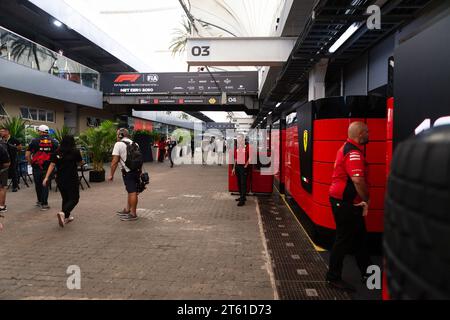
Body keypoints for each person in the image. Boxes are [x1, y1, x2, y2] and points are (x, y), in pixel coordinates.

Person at [326, 121, 372, 292]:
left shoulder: (347, 148)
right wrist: (366, 198)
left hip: (349, 202)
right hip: (343, 203)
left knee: (360, 237)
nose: (369, 134)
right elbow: (358, 180)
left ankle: (368, 273)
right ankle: (333, 277)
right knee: (343, 240)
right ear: (360, 134)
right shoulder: (353, 152)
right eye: (367, 132)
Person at [43, 135, 82, 228]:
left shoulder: (57, 152)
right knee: (74, 198)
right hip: (72, 178)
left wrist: (46, 177)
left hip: (60, 179)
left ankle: (66, 217)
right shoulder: (75, 151)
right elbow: (80, 163)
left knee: (65, 198)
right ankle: (63, 212)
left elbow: (52, 165)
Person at [108, 128, 141, 221]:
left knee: (132, 192)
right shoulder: (135, 143)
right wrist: (140, 172)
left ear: (120, 135)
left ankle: (133, 213)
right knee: (131, 191)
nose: (116, 136)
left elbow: (114, 161)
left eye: (117, 134)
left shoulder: (118, 144)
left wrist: (111, 174)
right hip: (136, 170)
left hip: (128, 172)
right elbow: (139, 159)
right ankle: (127, 210)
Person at [26, 125, 58, 211]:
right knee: (45, 184)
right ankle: (45, 204)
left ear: (40, 131)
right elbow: (58, 154)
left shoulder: (34, 141)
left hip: (37, 166)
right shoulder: (54, 141)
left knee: (38, 184)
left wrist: (30, 163)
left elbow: (27, 155)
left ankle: (40, 201)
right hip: (49, 166)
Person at [0, 128, 22, 192]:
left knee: (13, 172)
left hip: (12, 158)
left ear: (7, 132)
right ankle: (3, 185)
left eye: (2, 131)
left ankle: (15, 186)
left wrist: (12, 147)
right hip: (3, 159)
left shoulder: (14, 139)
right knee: (3, 172)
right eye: (0, 131)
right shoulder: (1, 140)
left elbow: (20, 147)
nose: (1, 132)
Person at [232, 134, 251, 207]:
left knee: (243, 183)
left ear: (243, 139)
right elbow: (236, 158)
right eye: (237, 138)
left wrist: (246, 165)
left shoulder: (247, 146)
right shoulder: (237, 146)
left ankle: (242, 200)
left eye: (239, 138)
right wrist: (234, 168)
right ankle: (242, 196)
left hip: (243, 167)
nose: (238, 139)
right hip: (237, 167)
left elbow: (250, 157)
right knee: (239, 182)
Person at [0, 141, 10, 213]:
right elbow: (7, 163)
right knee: (2, 187)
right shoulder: (1, 148)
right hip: (1, 170)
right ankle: (1, 206)